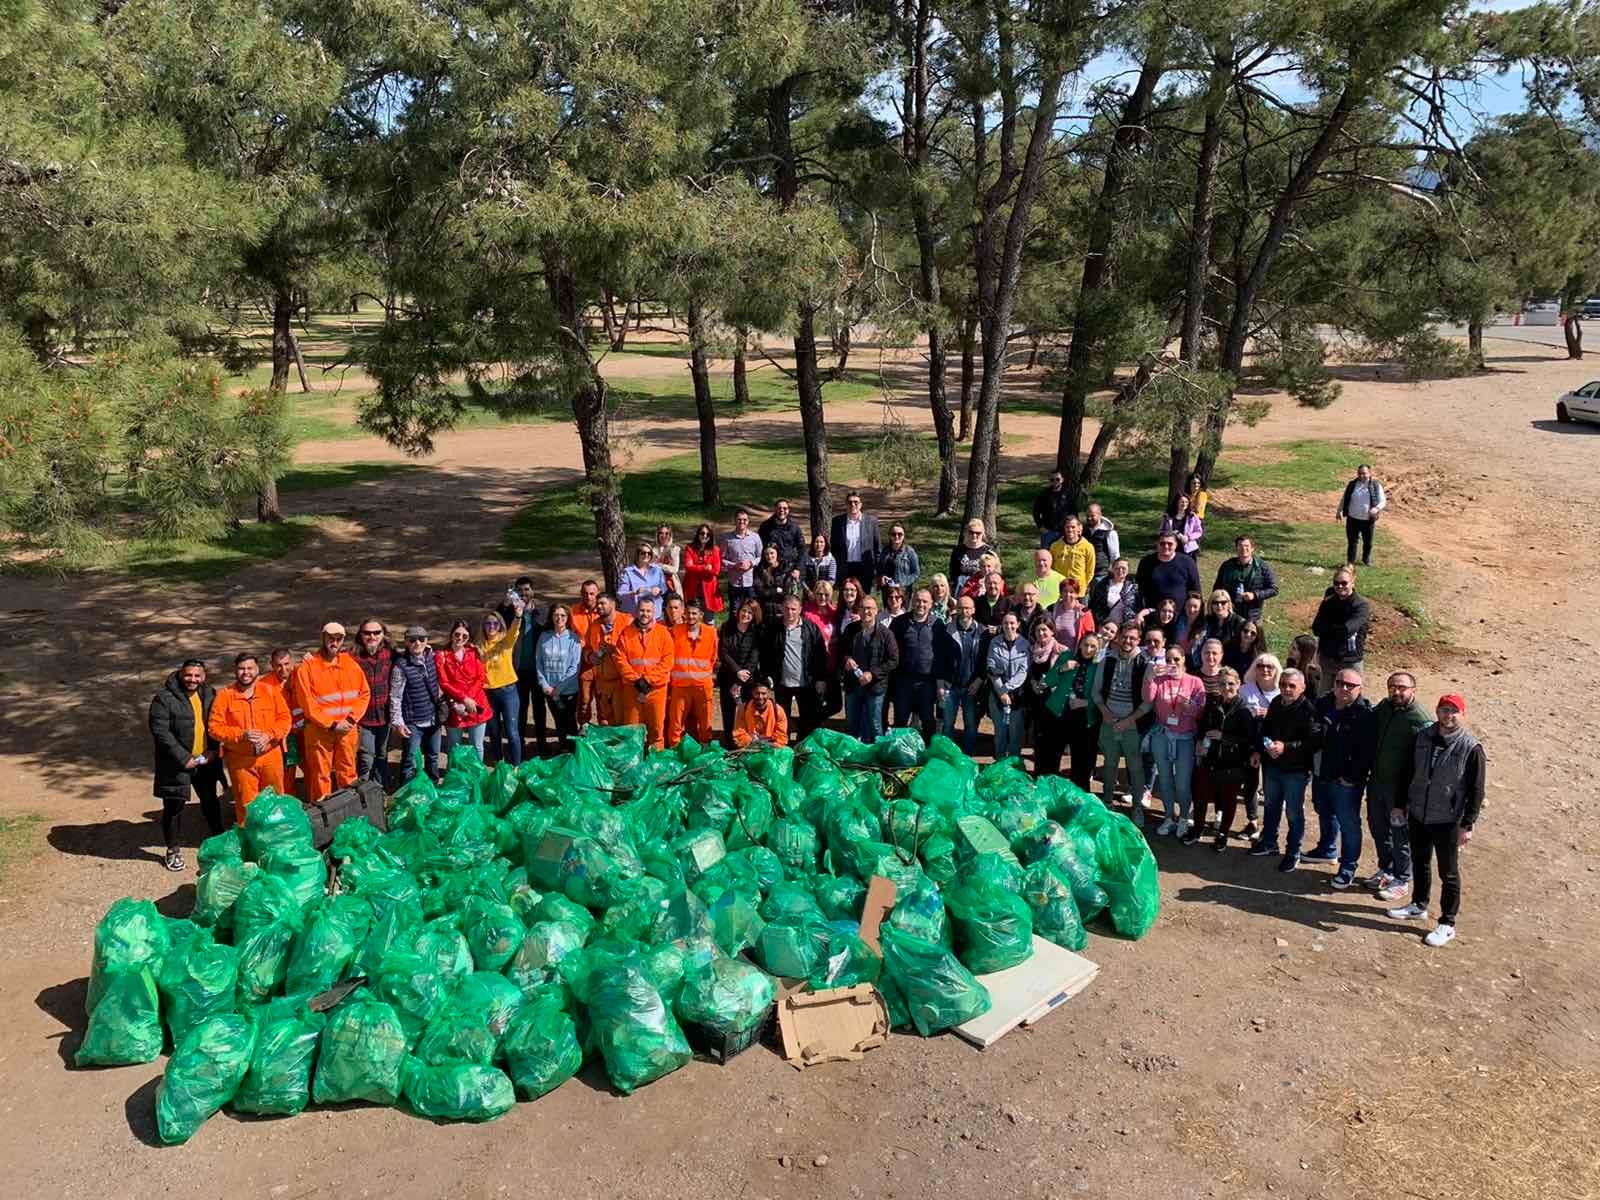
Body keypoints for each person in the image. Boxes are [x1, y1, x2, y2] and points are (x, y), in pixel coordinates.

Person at [1387, 695, 1485, 948]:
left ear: (1462, 714)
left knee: (1448, 872)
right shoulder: (1423, 737)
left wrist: (1468, 823)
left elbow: (1476, 790)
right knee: (1420, 861)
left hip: (1448, 819)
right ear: (1437, 711)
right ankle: (1418, 904)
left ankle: (1447, 923)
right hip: (1419, 813)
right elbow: (1407, 772)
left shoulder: (1471, 747)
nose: (1448, 715)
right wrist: (1400, 804)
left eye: (1454, 711)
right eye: (1444, 710)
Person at [149, 659, 227, 871]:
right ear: (181, 674)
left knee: (210, 801)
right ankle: (172, 850)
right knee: (174, 808)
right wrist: (184, 758)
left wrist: (213, 749)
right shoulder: (164, 699)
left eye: (197, 675)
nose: (192, 679)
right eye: (188, 675)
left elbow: (216, 722)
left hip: (205, 760)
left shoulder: (209, 693)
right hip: (176, 764)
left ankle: (221, 843)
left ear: (204, 676)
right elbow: (161, 733)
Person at [1248, 667, 1324, 871]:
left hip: (1296, 771)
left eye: (1292, 685)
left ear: (1302, 687)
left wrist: (1286, 747)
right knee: (1271, 807)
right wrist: (1262, 748)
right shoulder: (1276, 703)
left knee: (1293, 812)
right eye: (1283, 685)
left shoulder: (1309, 709)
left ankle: (1293, 852)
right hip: (1272, 766)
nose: (1287, 689)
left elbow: (1314, 741)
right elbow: (1266, 729)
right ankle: (1269, 843)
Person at [1366, 671, 1431, 901]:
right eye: (1392, 687)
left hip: (1401, 790)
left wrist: (1409, 797)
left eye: (1402, 687)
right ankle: (1387, 869)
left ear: (1413, 690)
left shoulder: (1420, 720)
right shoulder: (1385, 707)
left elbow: (1425, 762)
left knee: (1400, 835)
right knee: (1377, 828)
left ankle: (1402, 879)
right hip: (1377, 783)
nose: (1396, 691)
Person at [1309, 667, 1376, 888]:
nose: (1344, 688)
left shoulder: (1364, 715)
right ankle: (1327, 849)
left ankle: (1348, 866)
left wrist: (1351, 777)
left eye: (1350, 685)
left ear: (1360, 688)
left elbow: (1366, 753)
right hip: (1322, 772)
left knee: (1349, 824)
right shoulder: (1323, 703)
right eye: (1340, 683)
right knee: (1324, 811)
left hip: (1346, 781)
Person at [292, 622, 372, 802]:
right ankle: (324, 815)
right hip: (320, 731)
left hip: (347, 730)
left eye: (338, 639)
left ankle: (348, 810)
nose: (334, 642)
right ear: (323, 637)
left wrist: (351, 721)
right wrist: (333, 724)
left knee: (348, 772)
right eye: (330, 638)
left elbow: (364, 693)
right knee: (320, 775)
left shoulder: (350, 664)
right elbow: (308, 704)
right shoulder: (307, 667)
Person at [210, 655, 290, 828]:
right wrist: (241, 735)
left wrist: (269, 735)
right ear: (235, 671)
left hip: (271, 756)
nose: (246, 672)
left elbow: (285, 719)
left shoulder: (270, 691)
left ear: (257, 670)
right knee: (246, 806)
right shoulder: (225, 696)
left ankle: (277, 840)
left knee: (274, 801)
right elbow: (214, 728)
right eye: (241, 668)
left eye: (250, 668)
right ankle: (251, 845)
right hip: (240, 760)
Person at [1189, 667, 1257, 849]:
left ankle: (1223, 833)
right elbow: (1202, 726)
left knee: (1229, 801)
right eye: (1223, 684)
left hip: (1232, 763)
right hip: (1209, 759)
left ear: (1239, 685)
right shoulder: (1212, 704)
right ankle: (1197, 829)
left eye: (1231, 683)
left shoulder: (1243, 710)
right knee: (1200, 796)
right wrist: (1199, 741)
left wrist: (1224, 737)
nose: (1227, 687)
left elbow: (1248, 739)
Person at [1145, 645, 1206, 837]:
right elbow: (1147, 698)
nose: (1172, 663)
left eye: (1176, 659)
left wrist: (1189, 707)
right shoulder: (1159, 680)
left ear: (1183, 660)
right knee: (1164, 779)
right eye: (1169, 660)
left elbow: (1200, 712)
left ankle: (1183, 819)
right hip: (1162, 735)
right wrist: (1149, 677)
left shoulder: (1195, 682)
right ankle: (1169, 817)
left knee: (1182, 782)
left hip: (1185, 738)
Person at [1096, 623, 1152, 819]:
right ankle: (1108, 801)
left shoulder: (1145, 664)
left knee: (1135, 767)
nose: (1128, 641)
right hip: (1109, 720)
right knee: (1109, 764)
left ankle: (1137, 807)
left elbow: (1148, 702)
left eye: (1133, 638)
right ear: (1119, 637)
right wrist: (1104, 712)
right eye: (1125, 637)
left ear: (1139, 640)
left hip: (1132, 724)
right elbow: (1096, 691)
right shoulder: (1108, 660)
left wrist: (1129, 721)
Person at [762, 594, 828, 741]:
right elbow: (766, 654)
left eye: (793, 609)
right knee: (781, 718)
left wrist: (820, 678)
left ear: (800, 610)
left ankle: (802, 747)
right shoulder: (774, 628)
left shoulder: (810, 629)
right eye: (787, 609)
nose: (790, 612)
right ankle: (782, 746)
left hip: (805, 683)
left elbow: (820, 655)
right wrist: (767, 676)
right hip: (782, 683)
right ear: (781, 609)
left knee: (807, 719)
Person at [616, 596, 675, 749]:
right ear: (637, 611)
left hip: (656, 690)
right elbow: (620, 659)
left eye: (648, 611)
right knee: (632, 729)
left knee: (656, 729)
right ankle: (633, 764)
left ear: (654, 612)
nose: (645, 614)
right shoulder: (626, 633)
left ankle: (655, 764)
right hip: (632, 689)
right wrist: (636, 680)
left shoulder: (663, 633)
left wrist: (648, 680)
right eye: (642, 610)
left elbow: (667, 660)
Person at [1044, 631, 1100, 790]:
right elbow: (1048, 681)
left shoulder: (1099, 665)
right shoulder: (1067, 656)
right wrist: (1062, 668)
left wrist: (1086, 703)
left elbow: (1104, 694)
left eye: (1093, 647)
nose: (1088, 649)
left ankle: (1078, 799)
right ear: (1080, 644)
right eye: (1086, 645)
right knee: (1051, 758)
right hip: (1059, 712)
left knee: (1081, 763)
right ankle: (1048, 793)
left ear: (1098, 649)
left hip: (1084, 717)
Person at [390, 626, 445, 783]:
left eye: (421, 639)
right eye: (413, 640)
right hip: (413, 721)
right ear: (406, 642)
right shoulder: (400, 666)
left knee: (433, 756)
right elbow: (395, 696)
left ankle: (432, 788)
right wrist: (398, 722)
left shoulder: (432, 657)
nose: (417, 643)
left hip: (433, 718)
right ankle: (406, 793)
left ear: (427, 641)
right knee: (410, 760)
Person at [841, 594, 898, 741]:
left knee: (875, 725)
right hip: (853, 685)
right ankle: (854, 757)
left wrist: (872, 674)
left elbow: (893, 660)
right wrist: (847, 659)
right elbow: (843, 651)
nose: (866, 611)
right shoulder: (850, 629)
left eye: (869, 608)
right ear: (858, 611)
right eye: (862, 608)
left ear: (877, 611)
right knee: (852, 724)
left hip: (876, 686)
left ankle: (876, 758)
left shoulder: (886, 634)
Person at [936, 594, 987, 753]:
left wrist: (979, 681)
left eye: (967, 608)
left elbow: (986, 660)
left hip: (971, 687)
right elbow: (939, 658)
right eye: (961, 608)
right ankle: (948, 755)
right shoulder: (947, 630)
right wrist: (940, 683)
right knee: (948, 723)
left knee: (970, 724)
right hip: (950, 686)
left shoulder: (982, 632)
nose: (964, 611)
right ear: (956, 610)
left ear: (973, 610)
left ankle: (968, 755)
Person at [477, 599, 525, 766]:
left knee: (512, 732)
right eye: (488, 623)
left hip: (508, 692)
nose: (491, 626)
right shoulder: (479, 646)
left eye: (495, 623)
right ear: (484, 626)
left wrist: (518, 616)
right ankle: (499, 763)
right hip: (488, 694)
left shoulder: (505, 641)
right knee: (494, 732)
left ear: (500, 625)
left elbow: (514, 631)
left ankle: (517, 766)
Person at [890, 587, 941, 741]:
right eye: (918, 601)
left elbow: (942, 652)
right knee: (900, 719)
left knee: (928, 720)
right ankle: (900, 754)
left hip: (927, 680)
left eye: (925, 601)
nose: (921, 604)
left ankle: (927, 754)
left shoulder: (938, 624)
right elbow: (892, 651)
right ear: (912, 602)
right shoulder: (899, 622)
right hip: (903, 679)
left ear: (931, 604)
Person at [667, 599, 718, 747]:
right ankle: (674, 753)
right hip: (680, 686)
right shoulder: (675, 631)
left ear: (701, 614)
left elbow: (713, 657)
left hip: (703, 686)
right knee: (676, 724)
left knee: (705, 723)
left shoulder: (711, 633)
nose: (691, 616)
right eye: (688, 613)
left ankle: (705, 752)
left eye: (694, 613)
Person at [1311, 566, 1371, 695]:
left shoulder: (1361, 605)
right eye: (1336, 583)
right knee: (1324, 696)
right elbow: (1316, 629)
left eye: (1344, 583)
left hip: (1350, 660)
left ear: (1352, 583)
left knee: (1351, 696)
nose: (1340, 586)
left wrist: (1328, 630)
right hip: (1328, 658)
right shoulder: (1328, 603)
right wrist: (1335, 630)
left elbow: (1347, 630)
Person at [506, 578, 548, 756]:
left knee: (539, 708)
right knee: (520, 708)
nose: (523, 593)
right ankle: (519, 743)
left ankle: (541, 743)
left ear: (533, 591)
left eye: (526, 590)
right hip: (519, 668)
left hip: (537, 669)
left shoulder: (542, 610)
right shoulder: (512, 611)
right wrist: (511, 607)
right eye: (520, 590)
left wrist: (534, 613)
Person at [437, 619, 491, 757]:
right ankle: (454, 776)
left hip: (476, 704)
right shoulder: (441, 655)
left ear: (469, 638)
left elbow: (480, 678)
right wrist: (463, 699)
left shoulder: (473, 652)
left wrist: (469, 700)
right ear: (451, 635)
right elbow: (444, 683)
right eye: (457, 634)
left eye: (464, 636)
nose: (460, 638)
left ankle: (478, 776)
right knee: (454, 747)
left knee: (477, 746)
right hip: (454, 706)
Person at [352, 618, 396, 786]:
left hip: (385, 717)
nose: (372, 636)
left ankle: (379, 791)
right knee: (366, 758)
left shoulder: (392, 655)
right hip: (364, 719)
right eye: (367, 633)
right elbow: (329, 659)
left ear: (383, 635)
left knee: (382, 756)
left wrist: (427, 651)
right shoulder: (352, 657)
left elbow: (414, 655)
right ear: (360, 635)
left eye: (376, 632)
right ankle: (363, 791)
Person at [534, 605, 584, 752]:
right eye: (556, 615)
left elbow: (574, 667)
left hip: (568, 691)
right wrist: (545, 685)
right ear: (551, 617)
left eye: (563, 615)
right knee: (559, 722)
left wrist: (559, 689)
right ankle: (563, 751)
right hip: (549, 690)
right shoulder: (544, 637)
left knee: (569, 722)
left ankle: (573, 753)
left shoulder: (573, 638)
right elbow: (538, 662)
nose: (559, 618)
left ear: (568, 618)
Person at [259, 647, 305, 797]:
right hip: (284, 736)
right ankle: (288, 804)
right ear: (272, 665)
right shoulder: (264, 685)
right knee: (287, 773)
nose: (283, 669)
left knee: (312, 769)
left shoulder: (302, 675)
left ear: (292, 662)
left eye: (286, 664)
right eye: (278, 665)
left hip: (306, 731)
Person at [717, 599, 764, 742]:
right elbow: (723, 652)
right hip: (728, 676)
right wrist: (737, 671)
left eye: (750, 612)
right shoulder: (727, 627)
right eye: (744, 610)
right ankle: (730, 742)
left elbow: (754, 657)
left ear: (754, 615)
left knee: (749, 712)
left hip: (747, 680)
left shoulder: (756, 632)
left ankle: (748, 742)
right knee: (728, 712)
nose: (746, 614)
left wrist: (740, 680)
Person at [582, 593, 631, 727]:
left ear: (613, 604)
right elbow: (587, 647)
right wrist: (589, 656)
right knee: (604, 720)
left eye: (602, 603)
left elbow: (635, 650)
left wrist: (614, 650)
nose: (598, 606)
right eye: (598, 604)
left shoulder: (627, 622)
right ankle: (608, 748)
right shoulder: (594, 625)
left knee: (622, 721)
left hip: (621, 682)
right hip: (602, 681)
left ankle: (621, 748)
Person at [986, 611, 1030, 760]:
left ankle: (1014, 765)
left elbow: (1023, 671)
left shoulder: (1025, 644)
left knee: (1015, 733)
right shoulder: (994, 642)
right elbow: (991, 668)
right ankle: (999, 763)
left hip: (1017, 695)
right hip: (997, 695)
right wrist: (1001, 692)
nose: (1009, 626)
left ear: (1017, 624)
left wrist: (1007, 689)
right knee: (1000, 732)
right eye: (1005, 623)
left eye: (1012, 623)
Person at [1024, 622, 1065, 776]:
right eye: (1038, 630)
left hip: (1053, 702)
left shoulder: (1061, 650)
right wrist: (1034, 683)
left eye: (1044, 630)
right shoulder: (1032, 650)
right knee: (1038, 739)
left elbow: (1066, 677)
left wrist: (1049, 682)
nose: (1041, 633)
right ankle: (1039, 773)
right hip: (1037, 702)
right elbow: (1029, 673)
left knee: (1053, 741)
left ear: (1052, 631)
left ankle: (1052, 773)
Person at [1212, 536, 1279, 625]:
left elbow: (1274, 589)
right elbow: (1217, 588)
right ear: (1236, 548)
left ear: (1252, 548)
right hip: (1229, 613)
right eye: (1240, 546)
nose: (1243, 548)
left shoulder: (1262, 566)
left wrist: (1255, 595)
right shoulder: (1227, 566)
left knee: (1251, 637)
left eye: (1246, 546)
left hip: (1252, 615)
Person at [1337, 463, 1387, 567]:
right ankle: (1350, 562)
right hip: (1352, 519)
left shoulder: (1376, 485)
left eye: (1364, 473)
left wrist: (1376, 508)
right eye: (1359, 473)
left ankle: (1366, 559)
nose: (1361, 476)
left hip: (1368, 520)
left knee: (1368, 543)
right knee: (1352, 542)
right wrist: (1339, 511)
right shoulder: (1352, 485)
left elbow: (1383, 501)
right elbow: (1344, 498)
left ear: (1370, 473)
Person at [568, 580, 603, 725]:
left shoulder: (604, 610)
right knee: (584, 700)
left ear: (597, 594)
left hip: (603, 663)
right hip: (583, 663)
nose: (588, 597)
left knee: (604, 701)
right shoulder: (572, 612)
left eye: (592, 593)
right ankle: (584, 729)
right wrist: (586, 654)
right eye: (585, 593)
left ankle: (604, 731)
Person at [1136, 532, 1202, 609]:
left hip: (1181, 614)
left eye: (1170, 544)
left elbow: (1196, 590)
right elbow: (1139, 590)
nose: (1166, 546)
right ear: (1157, 544)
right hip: (1152, 613)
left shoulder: (1187, 562)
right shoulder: (1146, 562)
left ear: (1176, 545)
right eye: (1162, 543)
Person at [831, 491, 882, 588]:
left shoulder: (871, 522)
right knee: (846, 599)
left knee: (864, 600)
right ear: (846, 504)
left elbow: (877, 548)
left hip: (865, 568)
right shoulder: (837, 522)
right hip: (845, 569)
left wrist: (878, 571)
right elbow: (834, 548)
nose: (853, 505)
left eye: (856, 502)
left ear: (861, 504)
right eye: (850, 502)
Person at [721, 509, 764, 611]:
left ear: (748, 521)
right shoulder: (727, 538)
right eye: (739, 519)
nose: (742, 522)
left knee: (752, 610)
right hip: (734, 582)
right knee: (735, 611)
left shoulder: (755, 537)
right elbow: (721, 558)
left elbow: (761, 556)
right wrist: (733, 565)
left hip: (751, 581)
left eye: (744, 520)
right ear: (735, 521)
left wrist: (751, 563)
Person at [682, 525, 725, 619]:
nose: (705, 536)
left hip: (709, 589)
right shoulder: (690, 548)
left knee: (709, 619)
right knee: (691, 617)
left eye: (707, 534)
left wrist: (696, 567)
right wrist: (705, 568)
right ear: (698, 534)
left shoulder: (715, 549)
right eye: (702, 533)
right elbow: (688, 566)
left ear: (710, 536)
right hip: (692, 588)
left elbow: (716, 570)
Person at [759, 499, 806, 585]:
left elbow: (802, 549)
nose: (782, 510)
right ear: (775, 509)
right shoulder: (765, 526)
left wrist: (798, 569)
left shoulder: (794, 527)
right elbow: (759, 548)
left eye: (785, 508)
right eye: (779, 508)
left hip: (789, 569)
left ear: (788, 510)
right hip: (771, 570)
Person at [1191, 591, 1244, 666]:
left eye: (1223, 602)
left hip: (1231, 665)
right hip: (1209, 663)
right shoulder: (1207, 621)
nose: (1219, 605)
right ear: (1211, 605)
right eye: (1215, 603)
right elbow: (1198, 643)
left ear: (1229, 604)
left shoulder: (1239, 623)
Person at [1049, 515, 1096, 598]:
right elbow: (1051, 568)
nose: (1070, 530)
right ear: (1064, 528)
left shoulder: (1088, 547)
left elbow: (1090, 571)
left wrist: (1082, 585)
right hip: (1060, 592)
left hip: (1079, 592)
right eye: (1067, 527)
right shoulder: (1055, 546)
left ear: (1079, 528)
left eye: (1073, 527)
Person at [733, 678, 788, 748]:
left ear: (769, 693)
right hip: (750, 747)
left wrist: (767, 745)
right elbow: (739, 733)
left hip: (771, 748)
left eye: (763, 693)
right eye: (757, 693)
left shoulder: (778, 710)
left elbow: (781, 736)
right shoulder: (743, 709)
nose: (760, 697)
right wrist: (753, 743)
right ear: (752, 693)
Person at [1088, 557, 1140, 628]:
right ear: (1112, 569)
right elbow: (1094, 605)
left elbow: (1137, 606)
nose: (1120, 570)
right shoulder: (1102, 585)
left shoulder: (1133, 587)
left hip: (1125, 626)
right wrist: (1101, 620)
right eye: (1117, 568)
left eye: (1123, 568)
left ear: (1128, 570)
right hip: (1105, 625)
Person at [876, 522, 921, 604]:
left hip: (903, 591)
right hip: (887, 591)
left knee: (902, 615)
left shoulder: (909, 552)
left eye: (900, 534)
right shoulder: (884, 551)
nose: (896, 536)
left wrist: (903, 583)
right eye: (893, 534)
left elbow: (916, 573)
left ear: (904, 536)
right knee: (888, 614)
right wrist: (881, 577)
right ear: (890, 536)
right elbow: (879, 570)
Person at [618, 542, 667, 617]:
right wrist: (635, 592)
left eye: (649, 553)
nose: (646, 555)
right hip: (634, 614)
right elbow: (620, 593)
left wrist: (659, 590)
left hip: (655, 614)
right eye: (643, 553)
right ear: (637, 555)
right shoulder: (628, 572)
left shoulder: (657, 570)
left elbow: (664, 588)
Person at [948, 519, 994, 594]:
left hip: (982, 589)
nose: (974, 535)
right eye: (971, 532)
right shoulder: (958, 550)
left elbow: (995, 573)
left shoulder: (988, 551)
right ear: (966, 532)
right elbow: (953, 573)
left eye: (978, 533)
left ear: (982, 533)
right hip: (961, 588)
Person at [1049, 578, 1095, 653]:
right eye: (1065, 591)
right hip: (1054, 652)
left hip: (1074, 654)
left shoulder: (1084, 613)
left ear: (1077, 594)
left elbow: (1090, 637)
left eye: (1071, 592)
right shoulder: (1052, 609)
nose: (1067, 594)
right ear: (1060, 593)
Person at [1033, 470, 1075, 548]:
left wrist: (1073, 529)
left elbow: (1074, 513)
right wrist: (1041, 527)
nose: (1055, 481)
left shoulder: (1069, 495)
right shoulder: (1043, 495)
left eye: (1057, 479)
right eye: (1052, 480)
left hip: (1064, 532)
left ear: (1062, 480)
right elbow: (1036, 512)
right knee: (1047, 557)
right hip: (1048, 532)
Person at [1160, 492, 1205, 559]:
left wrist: (1188, 538)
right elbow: (1161, 531)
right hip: (1171, 549)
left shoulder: (1192, 516)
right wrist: (1172, 533)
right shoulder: (1167, 516)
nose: (1184, 504)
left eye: (1186, 502)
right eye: (1182, 502)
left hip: (1188, 550)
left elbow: (1199, 531)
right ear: (1177, 503)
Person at [754, 544, 794, 619]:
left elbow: (787, 592)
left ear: (777, 553)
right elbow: (759, 591)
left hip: (782, 610)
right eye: (766, 554)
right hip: (764, 609)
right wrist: (775, 590)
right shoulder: (759, 570)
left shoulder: (785, 569)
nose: (769, 556)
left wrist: (769, 591)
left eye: (772, 553)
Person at [1084, 501, 1120, 582]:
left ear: (1100, 515)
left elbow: (1115, 555)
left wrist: (1113, 571)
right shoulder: (1083, 531)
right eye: (1087, 516)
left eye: (1092, 516)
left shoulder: (1110, 533)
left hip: (1101, 573)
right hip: (1085, 571)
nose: (1089, 518)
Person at [1285, 633, 1323, 698]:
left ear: (1304, 653)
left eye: (1294, 649)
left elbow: (1312, 696)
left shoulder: (1312, 672)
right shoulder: (1290, 663)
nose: (1290, 650)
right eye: (1291, 646)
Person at [654, 523, 682, 595]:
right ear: (657, 535)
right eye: (661, 533)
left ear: (670, 535)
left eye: (667, 533)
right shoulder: (652, 550)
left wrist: (659, 565)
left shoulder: (674, 549)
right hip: (655, 582)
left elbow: (675, 569)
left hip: (670, 582)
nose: (664, 536)